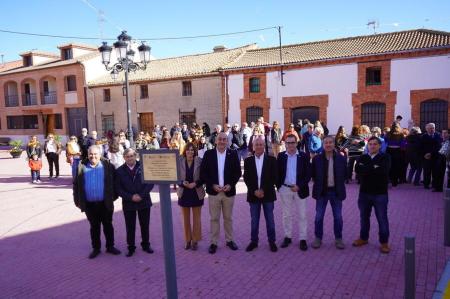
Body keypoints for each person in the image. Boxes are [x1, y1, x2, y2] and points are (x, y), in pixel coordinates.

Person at [73, 145, 121, 259]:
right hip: (89, 204)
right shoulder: (81, 166)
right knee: (94, 227)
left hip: (105, 203)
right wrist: (77, 200)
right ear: (87, 154)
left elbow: (116, 182)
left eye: (95, 154)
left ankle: (110, 246)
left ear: (100, 155)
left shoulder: (108, 166)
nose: (93, 156)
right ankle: (96, 248)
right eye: (91, 154)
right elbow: (76, 185)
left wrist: (113, 197)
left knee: (108, 225)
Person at [200, 132, 241, 254]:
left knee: (228, 218)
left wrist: (231, 184)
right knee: (214, 218)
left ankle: (229, 240)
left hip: (229, 192)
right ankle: (214, 242)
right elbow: (203, 173)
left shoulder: (233, 154)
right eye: (220, 139)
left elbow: (237, 173)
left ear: (227, 141)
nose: (222, 141)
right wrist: (212, 184)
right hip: (214, 192)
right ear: (216, 141)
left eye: (224, 139)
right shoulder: (208, 154)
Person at [353, 136, 391, 254]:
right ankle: (364, 238)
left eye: (375, 144)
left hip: (380, 194)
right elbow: (358, 171)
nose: (372, 146)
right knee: (364, 217)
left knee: (382, 218)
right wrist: (373, 168)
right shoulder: (362, 157)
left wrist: (367, 168)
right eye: (370, 144)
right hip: (364, 193)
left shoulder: (385, 157)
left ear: (379, 146)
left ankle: (384, 242)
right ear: (367, 145)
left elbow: (383, 171)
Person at [115, 148, 154, 257]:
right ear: (124, 158)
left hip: (144, 200)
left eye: (131, 156)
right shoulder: (119, 171)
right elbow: (118, 189)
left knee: (145, 225)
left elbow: (150, 183)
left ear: (135, 156)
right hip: (128, 202)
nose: (130, 158)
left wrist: (141, 195)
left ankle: (146, 245)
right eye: (127, 156)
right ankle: (131, 247)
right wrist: (131, 197)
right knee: (130, 226)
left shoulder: (144, 166)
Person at [311, 136, 347, 250]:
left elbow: (345, 174)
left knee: (338, 217)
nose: (328, 145)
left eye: (330, 142)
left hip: (336, 192)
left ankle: (338, 239)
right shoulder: (317, 159)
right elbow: (313, 174)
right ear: (323, 144)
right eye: (326, 142)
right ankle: (318, 238)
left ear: (334, 144)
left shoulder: (341, 158)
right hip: (322, 192)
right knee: (318, 217)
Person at [276, 134, 311, 251]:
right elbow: (278, 173)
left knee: (302, 215)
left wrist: (299, 186)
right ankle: (288, 236)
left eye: (292, 142)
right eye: (288, 143)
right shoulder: (281, 156)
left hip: (300, 189)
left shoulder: (304, 156)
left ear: (296, 143)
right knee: (287, 215)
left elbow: (308, 174)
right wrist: (279, 187)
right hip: (285, 189)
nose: (290, 145)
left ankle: (303, 239)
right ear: (285, 144)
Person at [243, 136, 278, 252]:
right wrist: (255, 191)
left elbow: (274, 178)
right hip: (253, 195)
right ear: (253, 147)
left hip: (267, 195)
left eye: (260, 145)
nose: (258, 146)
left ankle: (272, 241)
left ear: (264, 146)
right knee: (254, 220)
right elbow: (247, 178)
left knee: (270, 219)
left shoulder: (272, 160)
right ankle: (254, 241)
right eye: (256, 145)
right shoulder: (248, 161)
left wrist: (263, 190)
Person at [177, 143, 205, 250]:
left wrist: (196, 183)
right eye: (188, 150)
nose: (190, 152)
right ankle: (188, 240)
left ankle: (195, 240)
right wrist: (181, 183)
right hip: (184, 193)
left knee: (197, 219)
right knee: (185, 219)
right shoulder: (179, 161)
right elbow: (175, 176)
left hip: (196, 193)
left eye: (192, 150)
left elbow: (203, 176)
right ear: (185, 151)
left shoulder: (199, 161)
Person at [420, 123, 443, 192]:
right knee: (427, 171)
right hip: (426, 157)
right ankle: (426, 184)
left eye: (433, 128)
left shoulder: (438, 135)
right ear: (426, 129)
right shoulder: (423, 137)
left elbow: (439, 146)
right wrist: (424, 154)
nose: (431, 129)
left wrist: (432, 153)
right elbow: (420, 147)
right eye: (430, 128)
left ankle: (434, 184)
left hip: (436, 156)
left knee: (435, 171)